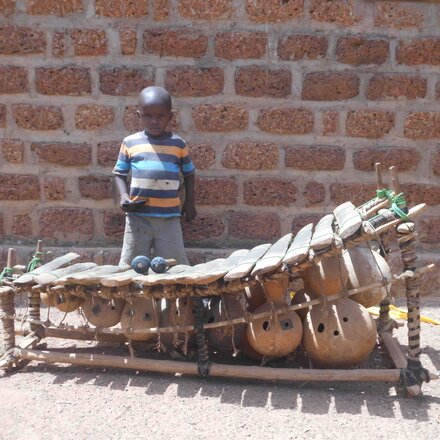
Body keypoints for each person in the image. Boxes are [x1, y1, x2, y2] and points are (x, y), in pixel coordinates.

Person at [113, 86, 196, 267]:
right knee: (131, 266)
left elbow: (189, 174)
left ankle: (177, 296)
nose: (154, 121)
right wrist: (124, 196)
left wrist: (189, 203)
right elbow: (119, 174)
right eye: (148, 116)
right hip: (137, 218)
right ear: (139, 115)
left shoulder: (178, 144)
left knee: (175, 266)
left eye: (161, 116)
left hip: (169, 218)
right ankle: (134, 296)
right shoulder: (130, 142)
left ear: (170, 116)